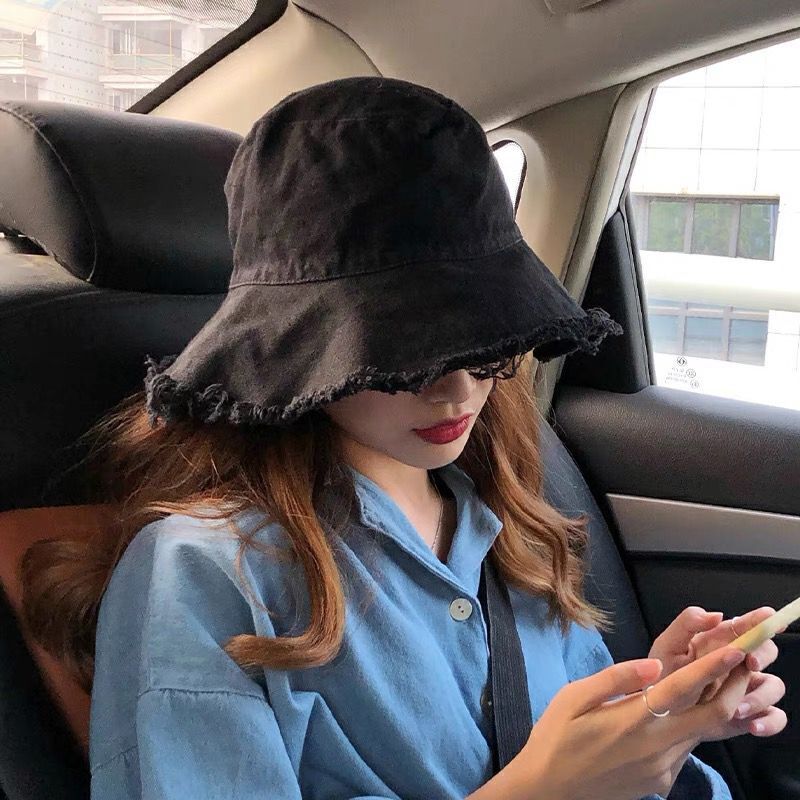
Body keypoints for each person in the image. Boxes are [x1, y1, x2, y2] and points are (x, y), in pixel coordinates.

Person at [20, 76, 786, 800]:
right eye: (401, 356)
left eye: (483, 342)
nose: (457, 389)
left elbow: (571, 743)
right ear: (301, 349)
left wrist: (652, 712)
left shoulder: (512, 524)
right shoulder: (208, 573)